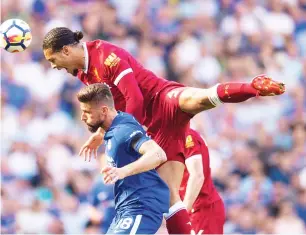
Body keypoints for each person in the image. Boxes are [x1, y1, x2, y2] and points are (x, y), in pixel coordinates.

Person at [43, 27, 285, 234]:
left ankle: (254, 87)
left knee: (197, 98)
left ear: (66, 50)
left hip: (161, 99)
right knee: (170, 196)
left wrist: (130, 137)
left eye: (53, 60)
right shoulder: (84, 73)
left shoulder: (106, 56)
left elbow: (134, 98)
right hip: (153, 128)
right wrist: (98, 135)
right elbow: (110, 107)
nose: (54, 67)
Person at [77, 83, 170, 234]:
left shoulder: (123, 131)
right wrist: (100, 134)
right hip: (124, 210)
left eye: (87, 112)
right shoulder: (117, 122)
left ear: (104, 110)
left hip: (141, 207)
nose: (83, 117)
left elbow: (158, 154)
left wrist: (122, 172)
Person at [180, 129, 225, 234]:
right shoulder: (168, 138)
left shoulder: (187, 136)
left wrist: (181, 212)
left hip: (202, 209)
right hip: (191, 209)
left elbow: (197, 176)